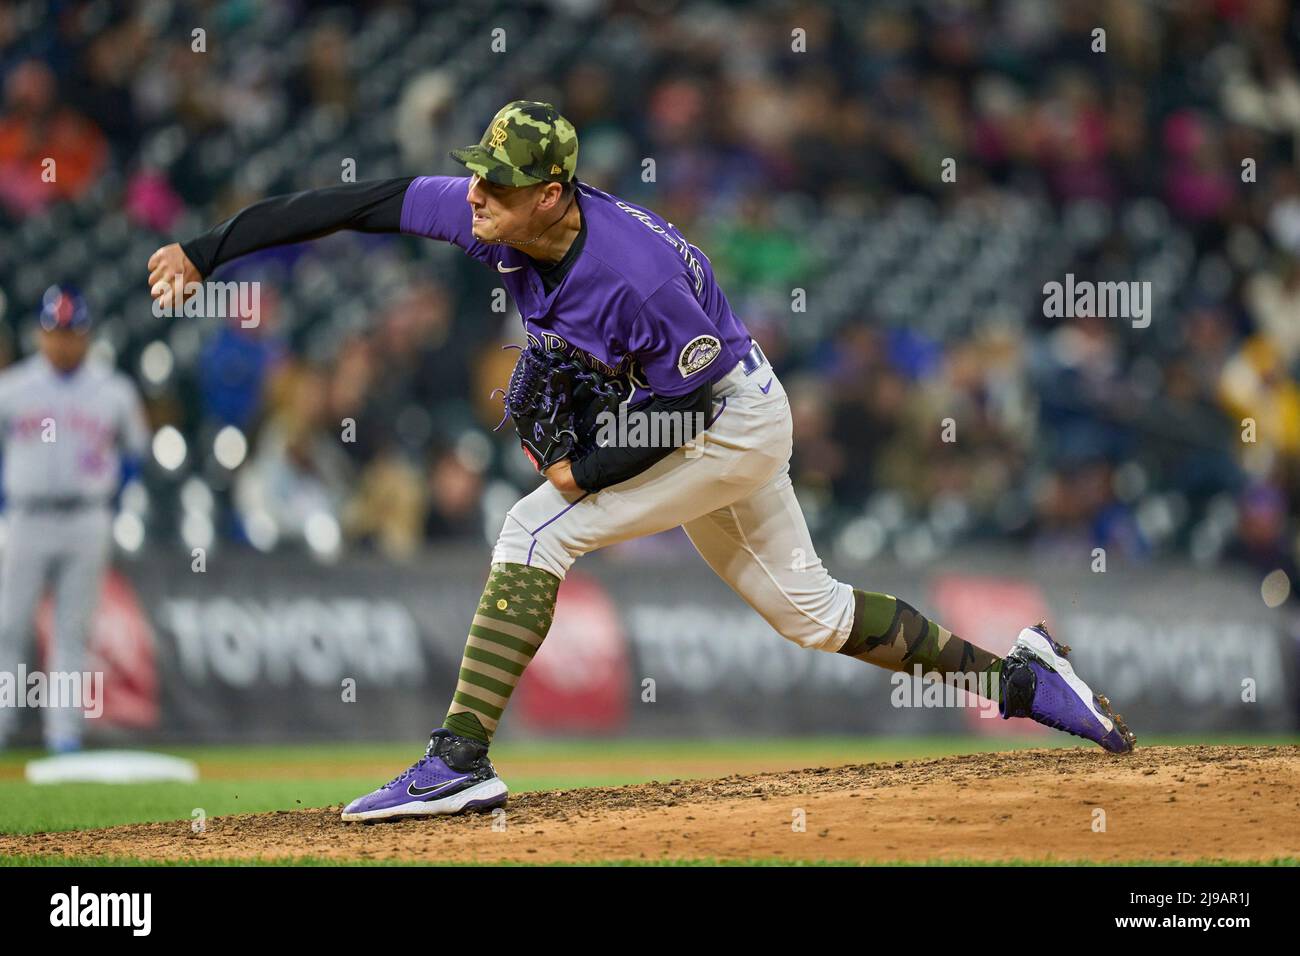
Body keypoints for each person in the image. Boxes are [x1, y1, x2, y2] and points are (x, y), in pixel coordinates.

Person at [148, 101, 1135, 822]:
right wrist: (209, 246)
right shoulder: (494, 211)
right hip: (697, 415)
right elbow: (356, 204)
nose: (476, 193)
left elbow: (685, 407)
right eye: (477, 175)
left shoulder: (637, 276)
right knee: (816, 614)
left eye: (497, 181)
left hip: (725, 419)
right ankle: (1021, 678)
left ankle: (458, 758)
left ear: (552, 194)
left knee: (533, 524)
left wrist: (581, 473)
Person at [0, 286, 150, 752]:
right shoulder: (12, 387)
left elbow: (135, 455)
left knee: (72, 630)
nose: (63, 341)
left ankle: (63, 736)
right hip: (25, 516)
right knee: (8, 625)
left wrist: (113, 504)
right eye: (55, 331)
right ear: (41, 335)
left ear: (86, 335)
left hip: (87, 518)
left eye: (71, 332)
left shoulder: (114, 389)